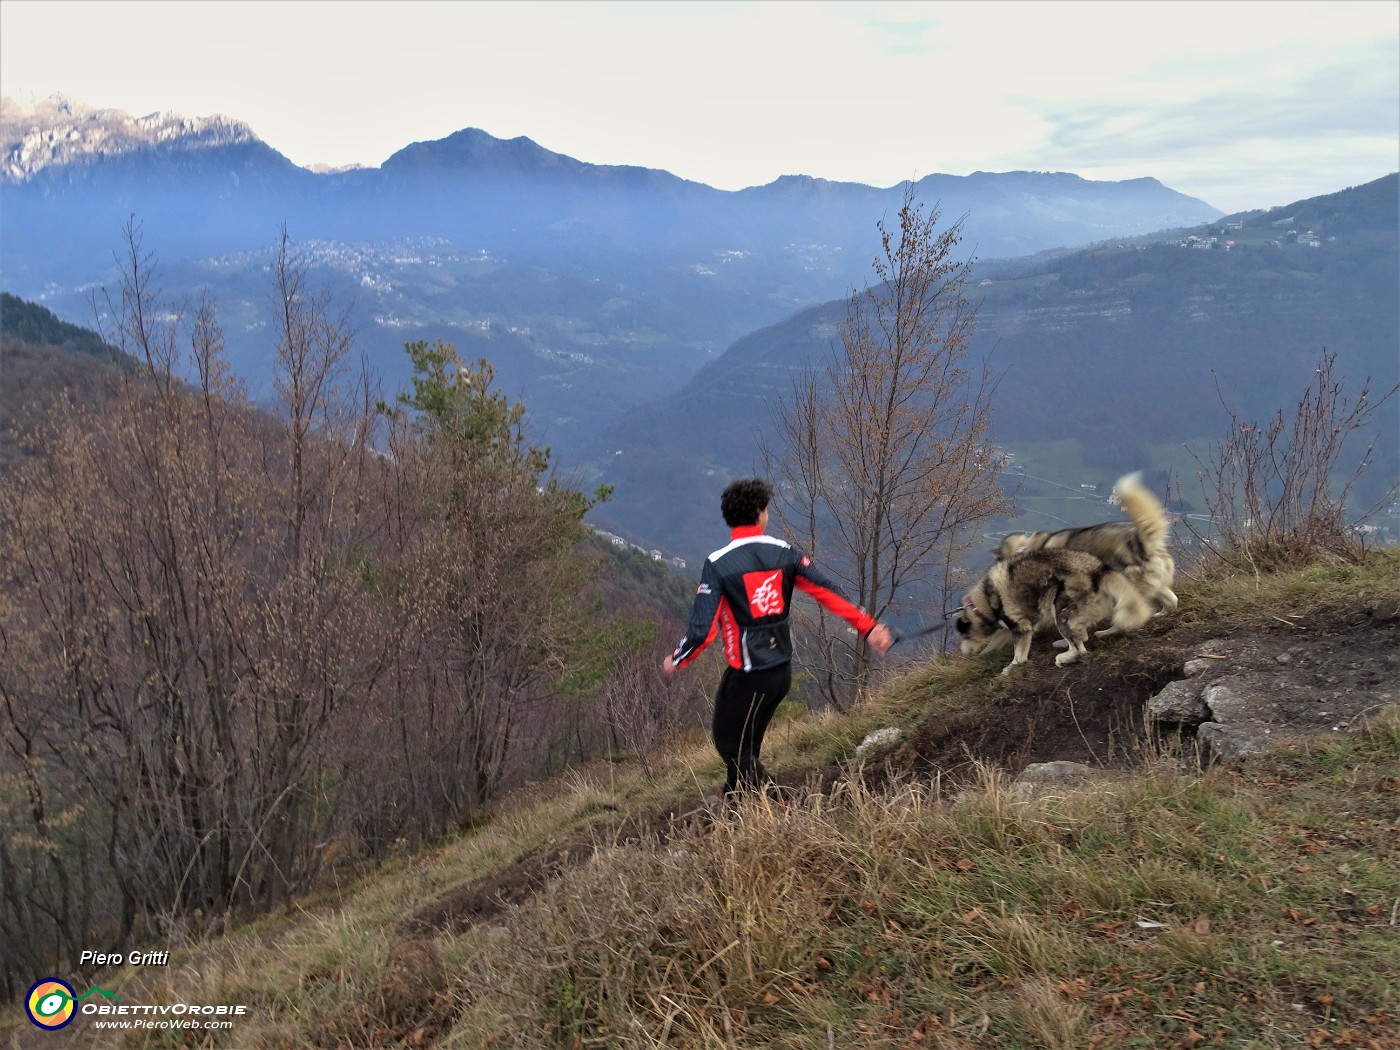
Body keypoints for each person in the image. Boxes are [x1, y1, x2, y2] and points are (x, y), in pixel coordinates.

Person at [662, 478, 893, 800]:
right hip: (781, 672)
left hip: (746, 675)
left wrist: (677, 659)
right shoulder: (785, 553)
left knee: (729, 744)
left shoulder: (718, 564)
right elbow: (827, 592)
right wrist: (868, 628)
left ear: (730, 517)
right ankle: (738, 801)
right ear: (760, 513)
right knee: (746, 745)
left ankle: (779, 800)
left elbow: (703, 630)